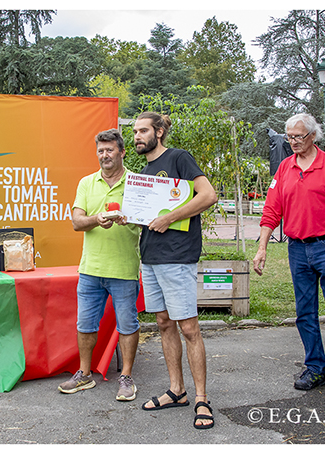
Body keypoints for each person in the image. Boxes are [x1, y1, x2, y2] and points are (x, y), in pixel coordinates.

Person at [253, 113, 325, 406]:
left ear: (313, 136)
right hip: (298, 250)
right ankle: (315, 369)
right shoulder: (284, 168)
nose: (292, 142)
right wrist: (262, 247)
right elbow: (271, 210)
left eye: (298, 137)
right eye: (289, 137)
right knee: (305, 314)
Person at [132, 112, 217, 430]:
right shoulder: (144, 172)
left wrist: (169, 217)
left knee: (189, 328)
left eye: (143, 131)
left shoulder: (179, 158)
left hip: (178, 257)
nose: (137, 136)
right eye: (135, 132)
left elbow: (208, 195)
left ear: (159, 132)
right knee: (164, 323)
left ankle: (201, 398)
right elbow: (147, 216)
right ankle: (177, 390)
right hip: (151, 257)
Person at [57, 128, 142, 402]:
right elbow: (76, 221)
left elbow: (148, 220)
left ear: (122, 152)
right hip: (90, 269)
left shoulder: (136, 183)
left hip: (124, 268)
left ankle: (126, 377)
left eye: (110, 150)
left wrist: (131, 218)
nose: (104, 155)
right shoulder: (86, 183)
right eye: (100, 151)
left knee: (127, 324)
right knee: (85, 324)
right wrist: (97, 219)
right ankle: (84, 374)